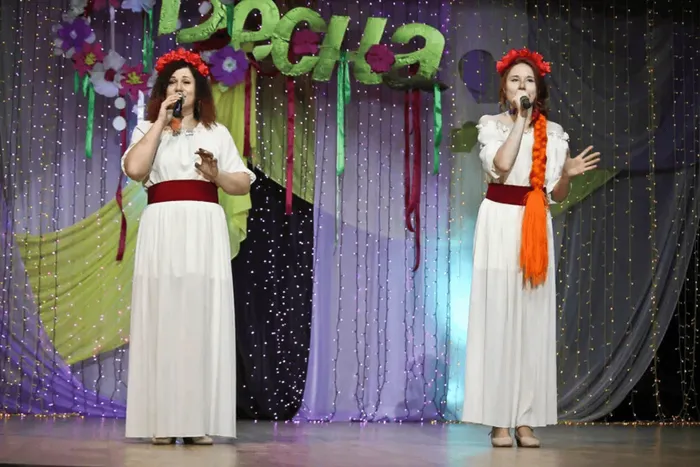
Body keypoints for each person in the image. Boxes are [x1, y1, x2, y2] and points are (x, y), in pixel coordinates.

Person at [461, 48, 599, 448]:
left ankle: (525, 420)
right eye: (515, 80)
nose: (523, 86)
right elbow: (502, 166)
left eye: (529, 81)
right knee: (498, 319)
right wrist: (521, 121)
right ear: (504, 89)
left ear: (538, 89)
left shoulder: (555, 133)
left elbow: (557, 193)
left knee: (530, 322)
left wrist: (567, 175)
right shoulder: (492, 125)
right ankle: (497, 421)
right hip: (499, 223)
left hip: (535, 225)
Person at [121, 48, 255, 445]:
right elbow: (135, 170)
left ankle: (197, 423)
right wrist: (160, 123)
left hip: (203, 227)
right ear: (163, 90)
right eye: (173, 82)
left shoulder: (217, 133)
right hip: (162, 225)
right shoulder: (147, 128)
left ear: (199, 90)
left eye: (187, 81)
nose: (179, 87)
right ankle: (161, 423)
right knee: (163, 316)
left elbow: (241, 183)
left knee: (200, 318)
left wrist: (216, 175)